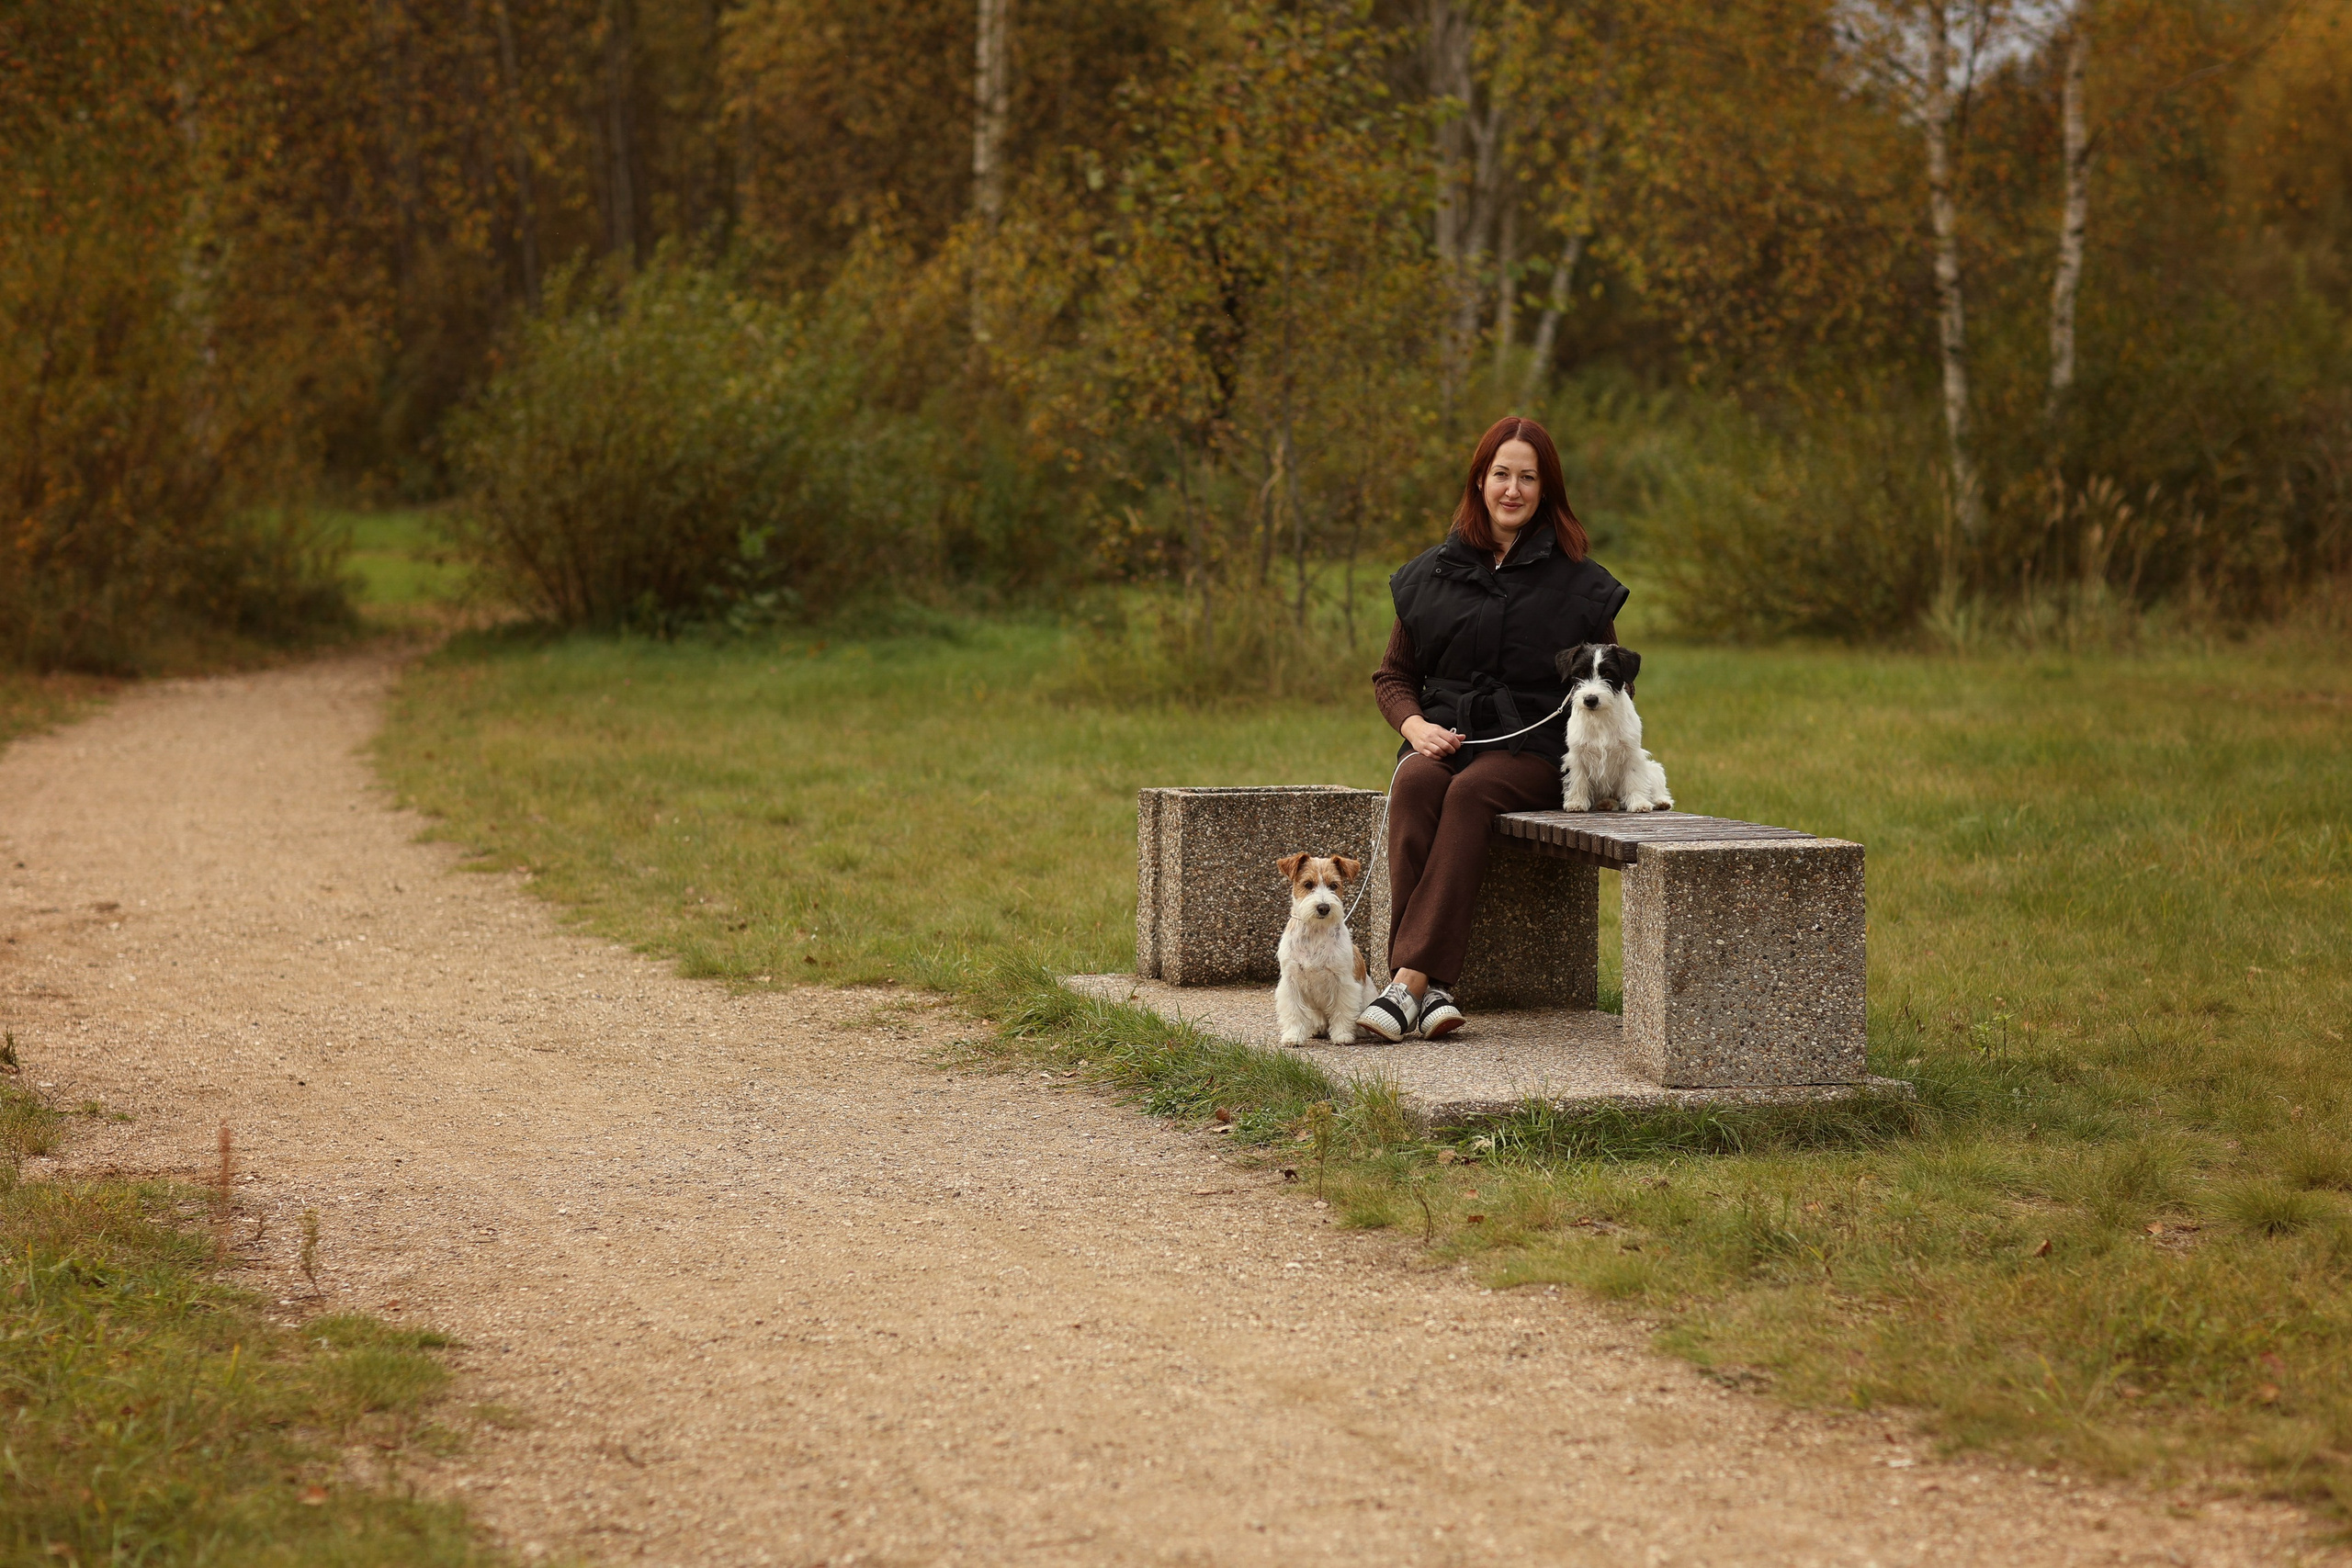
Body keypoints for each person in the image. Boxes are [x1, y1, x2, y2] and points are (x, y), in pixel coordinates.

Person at [1355, 415, 1627, 1043]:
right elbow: (1392, 676)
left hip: (1539, 750)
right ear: (1480, 481)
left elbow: (1613, 679)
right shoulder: (1432, 573)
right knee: (1420, 782)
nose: (1513, 488)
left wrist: (1608, 756)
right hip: (1448, 740)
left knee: (1472, 792)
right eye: (1501, 474)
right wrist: (1417, 726)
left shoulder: (1580, 581)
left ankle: (1408, 979)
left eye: (1527, 477)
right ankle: (1432, 991)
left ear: (1546, 489)